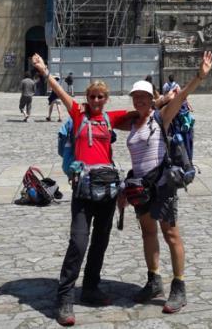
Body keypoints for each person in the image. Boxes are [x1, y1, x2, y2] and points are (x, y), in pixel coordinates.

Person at [31, 52, 137, 327]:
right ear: (87, 98)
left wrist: (167, 99)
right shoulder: (78, 114)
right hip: (82, 189)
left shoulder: (109, 118)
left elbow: (139, 113)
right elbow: (59, 90)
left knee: (100, 242)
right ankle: (64, 296)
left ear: (106, 99)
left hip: (107, 189)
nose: (96, 100)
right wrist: (44, 70)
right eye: (93, 96)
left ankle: (90, 287)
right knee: (79, 243)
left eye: (101, 97)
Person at [126, 51, 212, 314]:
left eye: (144, 97)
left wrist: (199, 76)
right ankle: (154, 280)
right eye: (136, 97)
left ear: (152, 100)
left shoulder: (159, 118)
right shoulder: (132, 122)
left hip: (162, 183)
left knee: (170, 234)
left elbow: (182, 96)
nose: (139, 101)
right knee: (148, 232)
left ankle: (179, 286)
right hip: (140, 185)